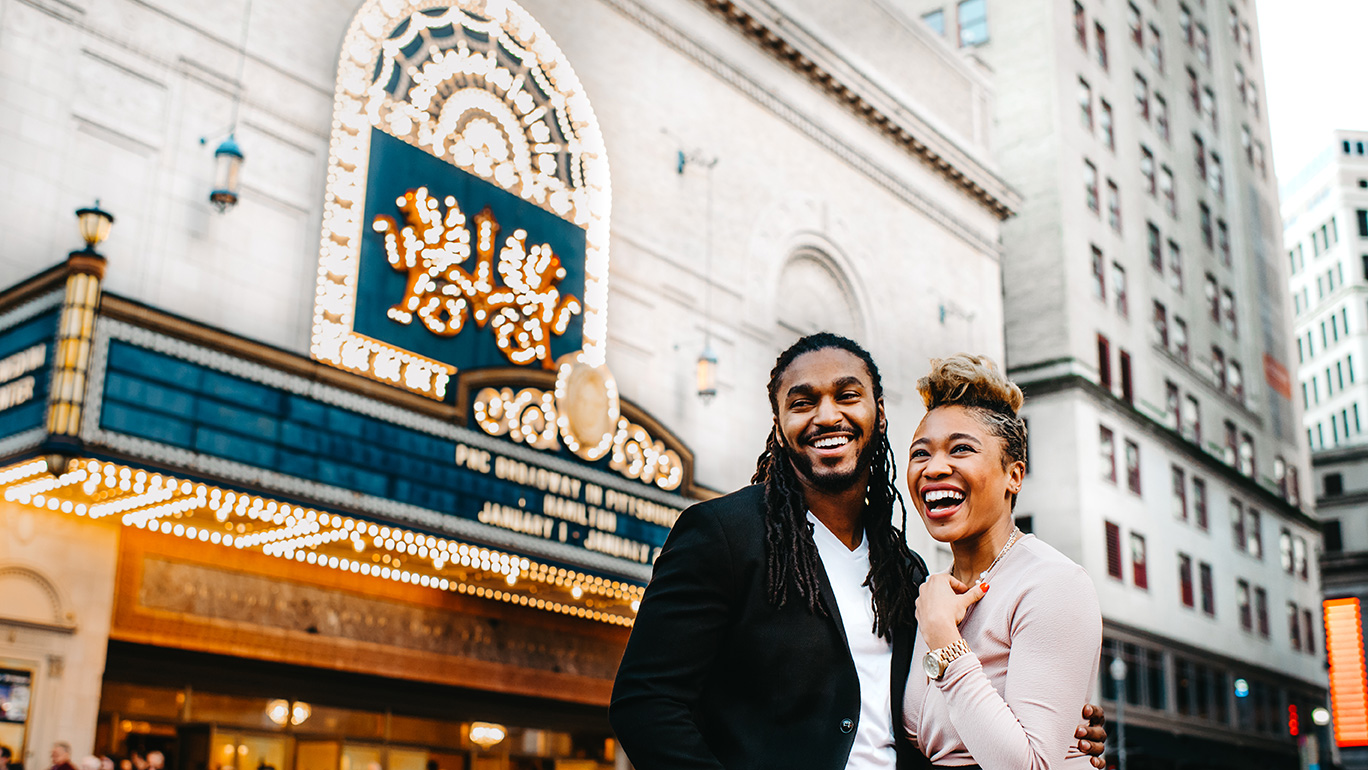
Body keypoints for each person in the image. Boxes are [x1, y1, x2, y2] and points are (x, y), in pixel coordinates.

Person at [610, 333, 1107, 770]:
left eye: (847, 395)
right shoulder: (722, 533)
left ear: (879, 414)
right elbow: (645, 702)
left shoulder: (906, 572)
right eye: (802, 402)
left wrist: (1063, 736)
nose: (827, 415)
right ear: (780, 424)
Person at [903, 355, 1102, 769]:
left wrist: (944, 639)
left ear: (1014, 475)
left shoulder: (1053, 583)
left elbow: (1027, 765)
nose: (934, 467)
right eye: (920, 454)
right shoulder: (929, 592)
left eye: (961, 449)